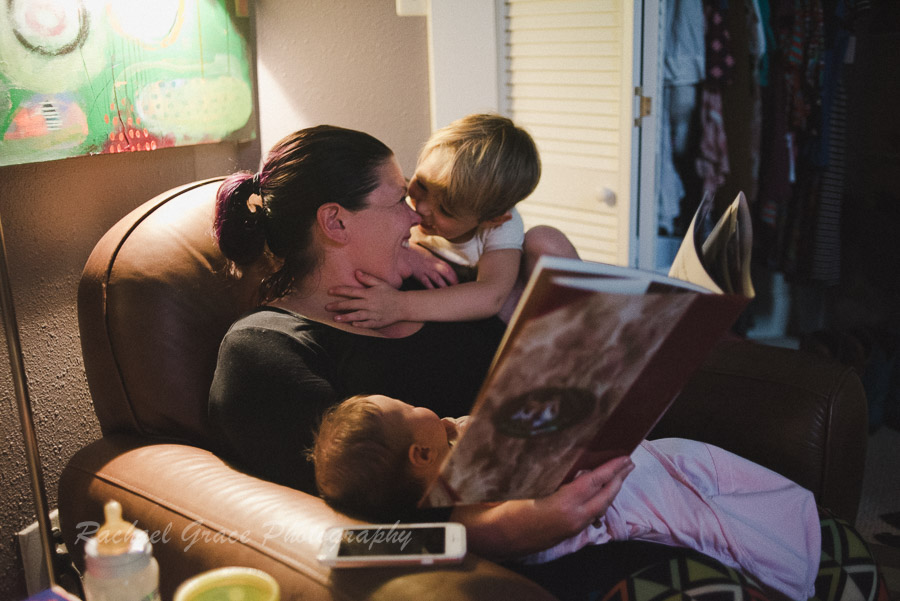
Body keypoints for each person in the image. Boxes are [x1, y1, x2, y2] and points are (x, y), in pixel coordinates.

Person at [209, 125, 884, 601]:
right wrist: (510, 528)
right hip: (539, 550)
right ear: (336, 222)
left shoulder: (443, 282)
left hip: (623, 480)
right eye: (396, 201)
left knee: (835, 549)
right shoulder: (265, 351)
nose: (414, 219)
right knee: (718, 585)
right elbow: (338, 535)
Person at [311, 394, 820, 601]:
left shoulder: (451, 453)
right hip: (630, 501)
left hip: (641, 465)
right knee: (735, 505)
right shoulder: (468, 503)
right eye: (408, 407)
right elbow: (345, 544)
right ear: (421, 455)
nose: (422, 405)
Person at [324, 113, 579, 327]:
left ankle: (584, 324)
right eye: (421, 185)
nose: (421, 208)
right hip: (447, 301)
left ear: (491, 219)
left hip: (511, 311)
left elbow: (492, 296)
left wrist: (400, 306)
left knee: (546, 239)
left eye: (446, 210)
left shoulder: (501, 228)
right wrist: (411, 253)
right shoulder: (404, 200)